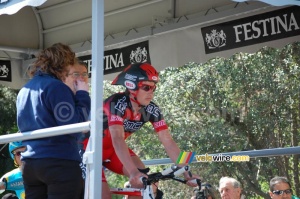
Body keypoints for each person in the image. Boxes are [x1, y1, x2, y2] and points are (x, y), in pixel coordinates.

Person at [80, 62, 199, 198]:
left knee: (146, 183)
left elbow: (168, 141)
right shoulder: (117, 103)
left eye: (154, 88)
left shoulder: (151, 109)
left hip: (112, 151)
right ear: (132, 87)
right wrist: (132, 172)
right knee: (103, 196)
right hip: (88, 150)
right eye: (146, 87)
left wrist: (187, 172)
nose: (151, 93)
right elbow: (117, 139)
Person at [16, 43, 91, 199]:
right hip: (59, 161)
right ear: (64, 63)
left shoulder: (24, 90)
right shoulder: (56, 87)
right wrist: (82, 94)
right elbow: (75, 125)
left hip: (30, 164)